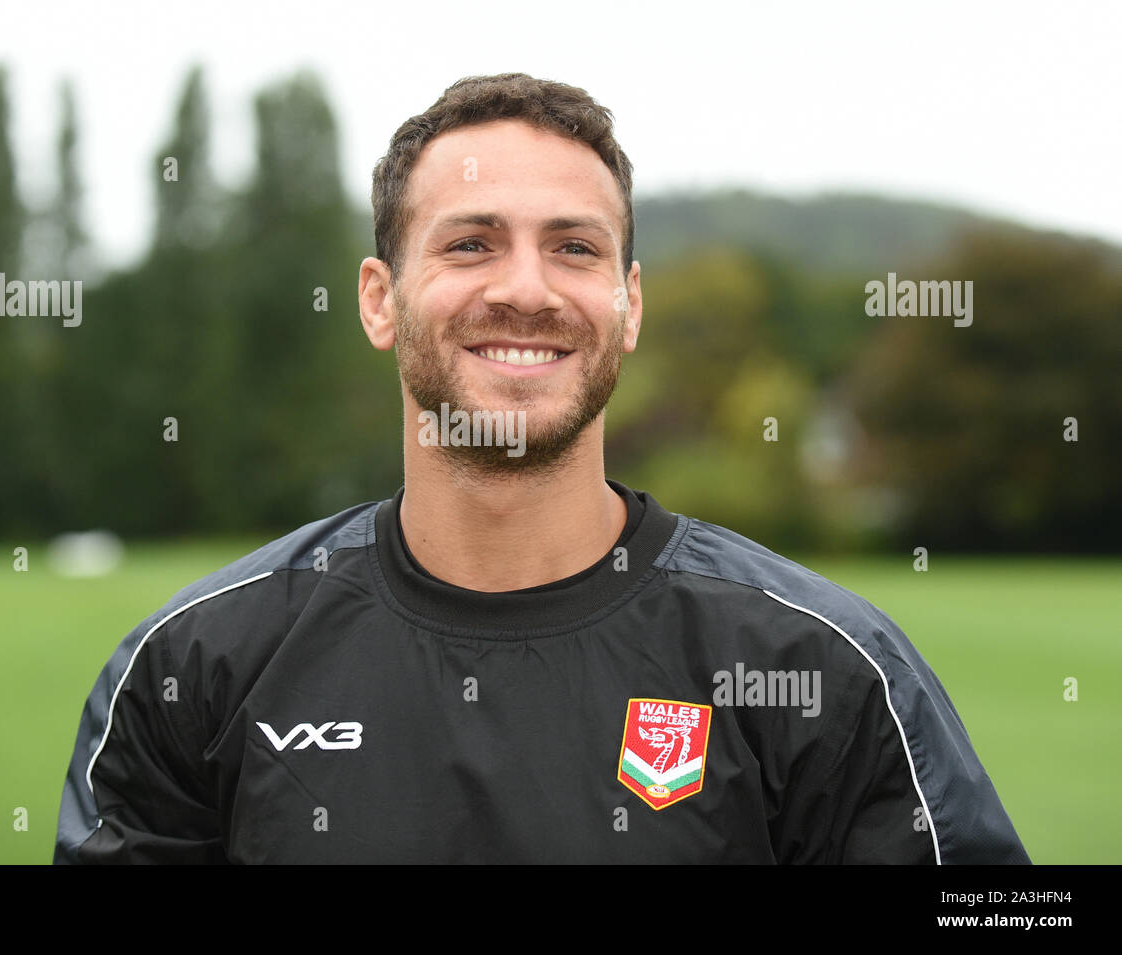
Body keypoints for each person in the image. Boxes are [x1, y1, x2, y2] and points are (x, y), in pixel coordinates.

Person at [54, 72, 1029, 864]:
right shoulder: (196, 668)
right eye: (471, 242)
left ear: (628, 304)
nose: (525, 289)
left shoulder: (821, 667)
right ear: (379, 298)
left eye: (572, 247)